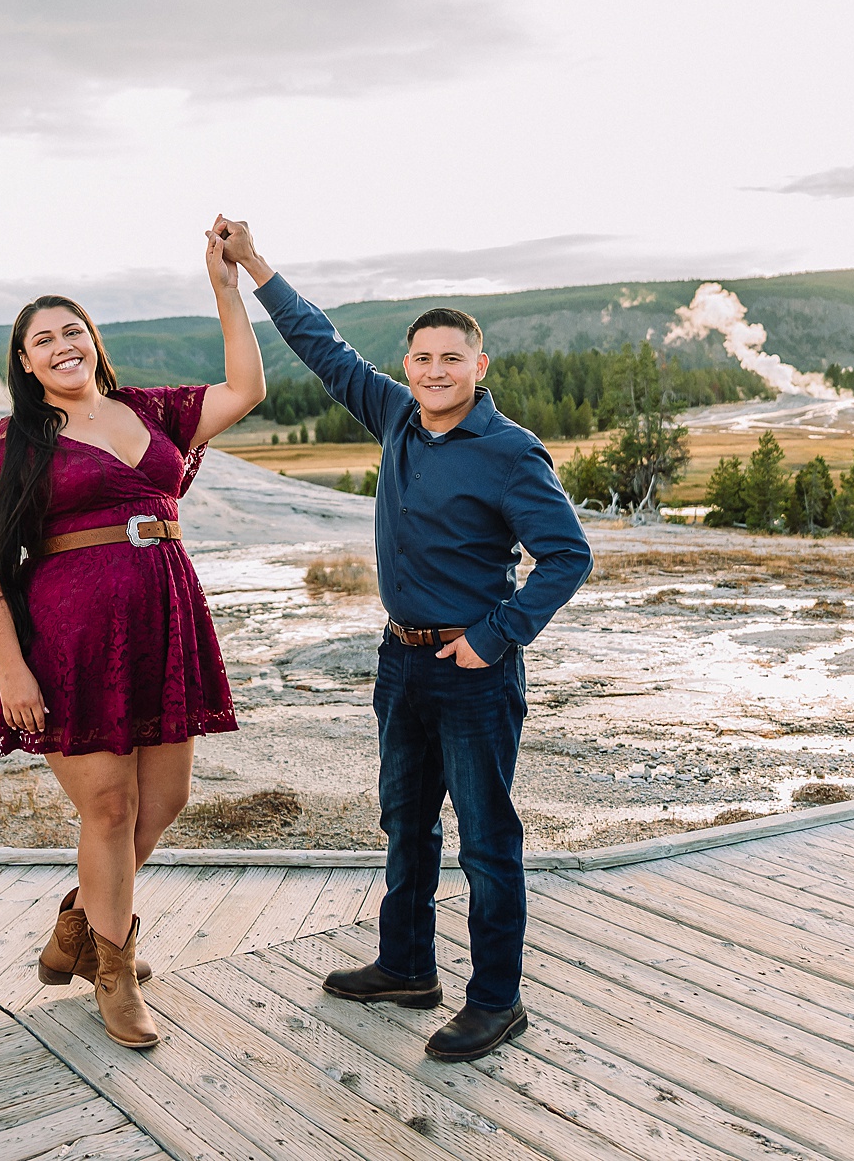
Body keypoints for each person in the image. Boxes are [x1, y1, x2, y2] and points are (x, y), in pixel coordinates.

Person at [219, 217, 593, 1063]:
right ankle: (406, 964)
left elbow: (568, 555)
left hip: (472, 670)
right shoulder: (394, 413)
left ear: (479, 366)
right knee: (406, 823)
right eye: (421, 357)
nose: (432, 371)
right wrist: (253, 265)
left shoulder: (508, 452)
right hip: (401, 661)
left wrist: (497, 637)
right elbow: (322, 346)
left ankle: (497, 1000)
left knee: (488, 842)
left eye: (449, 358)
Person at [0, 230, 264, 1049]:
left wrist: (225, 285)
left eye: (72, 330)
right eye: (42, 339)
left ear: (95, 341)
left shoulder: (149, 412)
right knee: (110, 805)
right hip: (69, 638)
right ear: (24, 362)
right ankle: (114, 972)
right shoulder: (18, 441)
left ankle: (75, 931)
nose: (62, 345)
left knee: (163, 803)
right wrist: (12, 669)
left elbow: (246, 388)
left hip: (164, 621)